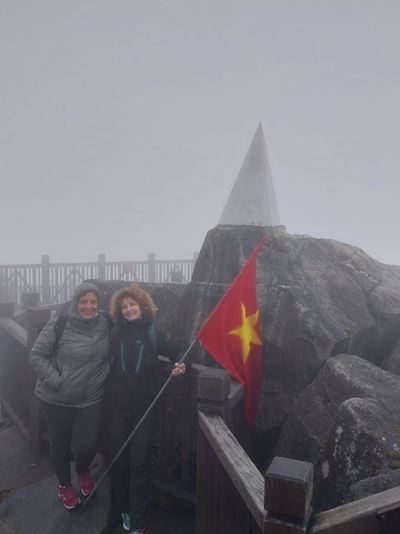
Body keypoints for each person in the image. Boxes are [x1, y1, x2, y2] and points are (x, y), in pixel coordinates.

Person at [104, 284, 186, 534]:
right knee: (118, 462)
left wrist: (182, 365)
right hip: (116, 408)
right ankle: (122, 511)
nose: (129, 309)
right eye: (124, 306)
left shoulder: (154, 334)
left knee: (139, 464)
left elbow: (179, 351)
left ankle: (138, 520)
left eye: (133, 304)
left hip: (144, 410)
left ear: (142, 306)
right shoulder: (114, 330)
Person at [29, 281, 110, 510]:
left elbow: (134, 327)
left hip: (91, 398)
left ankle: (83, 471)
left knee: (87, 444)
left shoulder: (105, 323)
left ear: (99, 304)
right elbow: (36, 356)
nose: (88, 306)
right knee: (60, 445)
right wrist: (57, 381)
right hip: (56, 398)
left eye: (93, 302)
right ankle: (64, 485)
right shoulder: (60, 323)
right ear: (76, 302)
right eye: (84, 301)